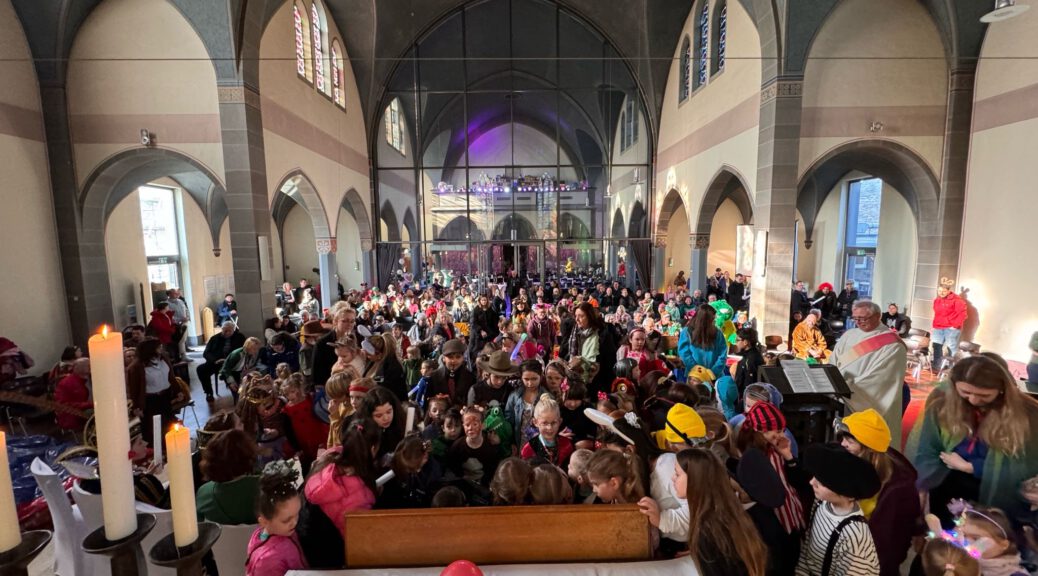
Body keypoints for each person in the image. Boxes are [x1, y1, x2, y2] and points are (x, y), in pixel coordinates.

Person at [906, 355, 1038, 528]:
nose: (974, 400)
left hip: (995, 491)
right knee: (944, 538)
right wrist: (921, 485)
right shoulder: (942, 400)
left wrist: (970, 467)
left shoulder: (1027, 413)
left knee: (979, 545)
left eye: (984, 395)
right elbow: (926, 447)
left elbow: (1023, 466)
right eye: (966, 393)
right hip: (946, 483)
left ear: (1002, 389)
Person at [836, 409, 921, 576]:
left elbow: (894, 537)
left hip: (876, 560)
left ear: (869, 447)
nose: (843, 445)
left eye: (849, 441)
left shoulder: (898, 486)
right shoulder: (854, 462)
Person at [675, 449, 768, 576]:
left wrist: (703, 551)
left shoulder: (706, 529)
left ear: (694, 479)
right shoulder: (725, 512)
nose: (672, 478)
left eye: (677, 474)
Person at [795, 444, 881, 576]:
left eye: (822, 482)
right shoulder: (820, 503)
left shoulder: (853, 534)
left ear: (847, 493)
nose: (812, 482)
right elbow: (809, 547)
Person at [830, 300, 908, 441]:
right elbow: (834, 361)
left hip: (860, 398)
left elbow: (881, 379)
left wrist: (846, 390)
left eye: (863, 318)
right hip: (840, 396)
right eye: (855, 318)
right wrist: (833, 381)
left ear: (878, 316)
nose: (858, 322)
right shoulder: (849, 335)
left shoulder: (893, 345)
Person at [246, 460, 307, 576]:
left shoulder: (281, 531)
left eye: (297, 514)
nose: (294, 522)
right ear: (264, 521)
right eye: (286, 520)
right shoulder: (267, 561)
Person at [196, 429, 260, 525]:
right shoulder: (263, 487)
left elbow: (199, 525)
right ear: (247, 455)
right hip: (262, 539)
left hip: (220, 540)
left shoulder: (203, 493)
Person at [126, 337, 177, 445]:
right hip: (150, 400)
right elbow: (134, 388)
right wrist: (136, 406)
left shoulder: (163, 359)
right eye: (158, 346)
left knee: (168, 424)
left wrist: (178, 391)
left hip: (165, 396)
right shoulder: (136, 367)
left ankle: (170, 446)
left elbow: (171, 376)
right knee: (152, 429)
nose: (161, 348)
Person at [677, 304, 729, 386]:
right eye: (712, 319)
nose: (714, 321)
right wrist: (698, 372)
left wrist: (712, 372)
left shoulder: (717, 332)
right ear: (704, 320)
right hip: (694, 377)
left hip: (714, 377)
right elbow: (684, 353)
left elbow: (722, 354)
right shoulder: (687, 332)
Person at [520, 394, 574, 468]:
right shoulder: (528, 449)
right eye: (544, 423)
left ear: (560, 421)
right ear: (535, 422)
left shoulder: (566, 444)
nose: (549, 428)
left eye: (553, 423)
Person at [196, 321, 245, 403]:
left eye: (229, 330)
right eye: (225, 330)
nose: (227, 333)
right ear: (221, 329)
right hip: (216, 362)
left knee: (230, 372)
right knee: (201, 369)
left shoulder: (240, 337)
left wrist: (227, 360)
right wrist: (215, 360)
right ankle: (208, 392)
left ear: (234, 330)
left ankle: (236, 395)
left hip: (231, 363)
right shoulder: (214, 338)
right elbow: (206, 353)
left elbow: (242, 351)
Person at [312, 305, 358, 390]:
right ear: (335, 322)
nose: (349, 325)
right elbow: (317, 373)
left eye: (352, 321)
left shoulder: (356, 339)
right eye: (345, 321)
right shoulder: (322, 343)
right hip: (330, 388)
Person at [426, 339, 476, 407]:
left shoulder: (470, 377)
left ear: (463, 358)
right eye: (450, 357)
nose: (454, 361)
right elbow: (427, 403)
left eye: (458, 357)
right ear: (443, 358)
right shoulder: (434, 376)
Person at [931, 277, 968, 372]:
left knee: (951, 347)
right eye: (939, 291)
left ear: (948, 291)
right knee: (936, 345)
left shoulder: (957, 301)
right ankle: (937, 366)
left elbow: (963, 314)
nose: (941, 293)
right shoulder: (937, 300)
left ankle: (954, 368)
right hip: (938, 327)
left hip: (951, 328)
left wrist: (954, 325)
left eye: (943, 291)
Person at [220, 337, 263, 404]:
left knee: (247, 390)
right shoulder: (237, 354)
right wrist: (231, 382)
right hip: (230, 374)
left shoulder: (251, 354)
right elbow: (226, 369)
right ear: (248, 347)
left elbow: (248, 366)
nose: (256, 351)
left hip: (240, 373)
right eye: (254, 349)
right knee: (238, 393)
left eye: (257, 349)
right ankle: (238, 408)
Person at [54, 358, 92, 432]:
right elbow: (63, 404)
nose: (91, 366)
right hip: (75, 414)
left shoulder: (91, 378)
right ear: (80, 368)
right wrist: (89, 404)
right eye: (88, 365)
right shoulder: (66, 383)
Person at [732, 327, 765, 413]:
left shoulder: (751, 359)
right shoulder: (749, 356)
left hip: (748, 400)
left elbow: (749, 383)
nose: (735, 343)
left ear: (746, 342)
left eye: (737, 340)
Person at [166, 288, 190, 359]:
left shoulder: (180, 301)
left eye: (176, 293)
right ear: (169, 294)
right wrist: (179, 320)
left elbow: (186, 310)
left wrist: (187, 317)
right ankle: (181, 355)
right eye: (174, 293)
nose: (176, 294)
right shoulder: (167, 304)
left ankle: (183, 354)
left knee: (183, 339)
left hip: (184, 322)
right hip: (176, 325)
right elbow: (169, 316)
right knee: (180, 340)